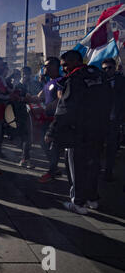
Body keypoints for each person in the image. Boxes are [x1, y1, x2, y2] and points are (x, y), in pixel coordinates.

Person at [45, 51, 112, 214]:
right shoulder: (100, 76)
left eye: (65, 65)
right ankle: (92, 199)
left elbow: (64, 109)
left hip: (78, 132)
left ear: (75, 61)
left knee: (76, 167)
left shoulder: (74, 79)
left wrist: (51, 131)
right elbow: (110, 101)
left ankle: (78, 202)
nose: (64, 69)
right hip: (98, 130)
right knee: (93, 165)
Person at [26, 57, 64, 182]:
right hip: (47, 120)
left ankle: (52, 172)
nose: (44, 68)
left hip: (55, 120)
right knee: (45, 144)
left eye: (47, 65)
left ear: (54, 67)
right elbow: (38, 97)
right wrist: (22, 97)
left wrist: (48, 107)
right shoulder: (49, 83)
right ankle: (54, 169)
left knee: (53, 146)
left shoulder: (60, 81)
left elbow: (61, 100)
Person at [101, 58, 125, 182]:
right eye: (104, 68)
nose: (107, 70)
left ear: (115, 67)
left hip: (115, 121)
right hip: (101, 122)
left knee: (111, 148)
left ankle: (108, 172)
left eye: (109, 67)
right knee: (99, 148)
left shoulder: (121, 81)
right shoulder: (100, 82)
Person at [13, 67, 36, 169]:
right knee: (26, 137)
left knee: (28, 137)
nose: (27, 76)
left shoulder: (32, 84)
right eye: (25, 74)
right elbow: (15, 99)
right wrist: (25, 99)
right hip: (21, 114)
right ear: (22, 74)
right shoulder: (18, 85)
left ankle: (25, 158)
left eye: (28, 74)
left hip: (32, 114)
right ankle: (25, 159)